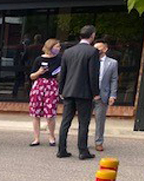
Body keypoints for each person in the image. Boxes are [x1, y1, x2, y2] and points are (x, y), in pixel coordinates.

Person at [57, 25, 100, 160]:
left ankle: (61, 149)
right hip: (84, 92)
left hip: (68, 91)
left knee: (66, 121)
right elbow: (93, 74)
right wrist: (95, 92)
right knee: (83, 122)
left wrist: (61, 90)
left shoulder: (68, 52)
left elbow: (62, 73)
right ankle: (82, 150)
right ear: (92, 35)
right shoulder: (92, 52)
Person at [28, 38, 62, 147]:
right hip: (39, 85)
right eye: (57, 46)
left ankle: (51, 136)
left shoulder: (59, 59)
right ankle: (36, 138)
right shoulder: (39, 59)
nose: (59, 48)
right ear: (50, 47)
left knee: (50, 113)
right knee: (35, 113)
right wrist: (39, 72)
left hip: (52, 85)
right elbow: (31, 76)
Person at [93, 39, 119, 152]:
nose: (97, 50)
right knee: (83, 120)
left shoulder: (112, 63)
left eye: (99, 48)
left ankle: (99, 142)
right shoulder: (89, 61)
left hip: (102, 95)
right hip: (88, 95)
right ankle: (82, 141)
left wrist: (112, 95)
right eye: (95, 48)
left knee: (100, 120)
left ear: (105, 49)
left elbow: (114, 79)